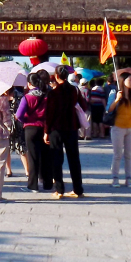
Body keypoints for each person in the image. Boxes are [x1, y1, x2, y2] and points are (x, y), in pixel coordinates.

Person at [45, 64, 83, 199]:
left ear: (56, 76)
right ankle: (78, 189)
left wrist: (46, 131)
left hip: (56, 129)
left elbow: (49, 114)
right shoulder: (74, 90)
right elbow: (83, 105)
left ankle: (59, 190)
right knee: (74, 159)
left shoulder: (53, 93)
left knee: (57, 159)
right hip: (72, 127)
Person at [15, 71, 50, 190]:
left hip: (30, 128)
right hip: (44, 128)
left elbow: (18, 115)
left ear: (29, 84)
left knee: (33, 157)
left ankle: (33, 185)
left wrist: (26, 119)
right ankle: (47, 183)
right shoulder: (45, 96)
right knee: (45, 156)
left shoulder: (27, 97)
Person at [107, 73, 131, 187]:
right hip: (118, 127)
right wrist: (117, 99)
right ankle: (115, 178)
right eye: (130, 80)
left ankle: (128, 178)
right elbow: (109, 109)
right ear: (123, 81)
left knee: (129, 154)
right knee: (117, 155)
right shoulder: (115, 93)